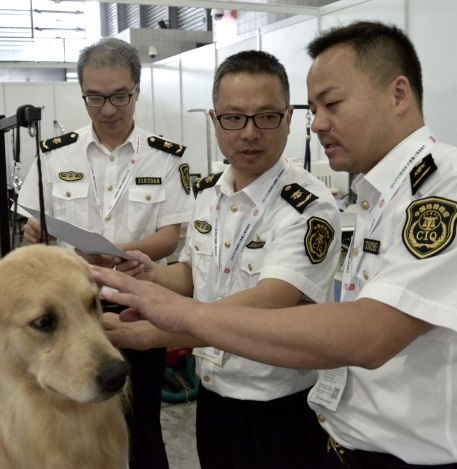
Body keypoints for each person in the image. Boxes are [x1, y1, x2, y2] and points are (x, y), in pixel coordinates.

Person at [91, 20, 457, 469]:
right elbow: (198, 274)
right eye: (316, 107)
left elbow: (369, 334)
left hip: (412, 457)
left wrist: (169, 325)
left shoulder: (453, 191)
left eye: (332, 104)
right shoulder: (376, 196)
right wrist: (154, 280)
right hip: (341, 439)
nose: (319, 123)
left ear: (398, 94)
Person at [105, 50, 341, 469]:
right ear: (214, 121)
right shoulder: (208, 192)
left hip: (280, 408)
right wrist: (152, 273)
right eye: (234, 118)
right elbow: (193, 276)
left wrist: (155, 333)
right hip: (215, 398)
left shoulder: (308, 207)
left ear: (289, 118)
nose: (249, 133)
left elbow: (274, 300)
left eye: (265, 117)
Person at [18, 38, 191, 469]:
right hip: (70, 306)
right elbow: (34, 224)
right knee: (70, 418)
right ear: (82, 93)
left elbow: (171, 234)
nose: (108, 109)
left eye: (119, 96)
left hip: (140, 301)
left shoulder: (165, 158)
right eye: (95, 98)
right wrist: (34, 231)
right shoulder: (54, 155)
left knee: (141, 421)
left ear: (137, 88)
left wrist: (119, 253)